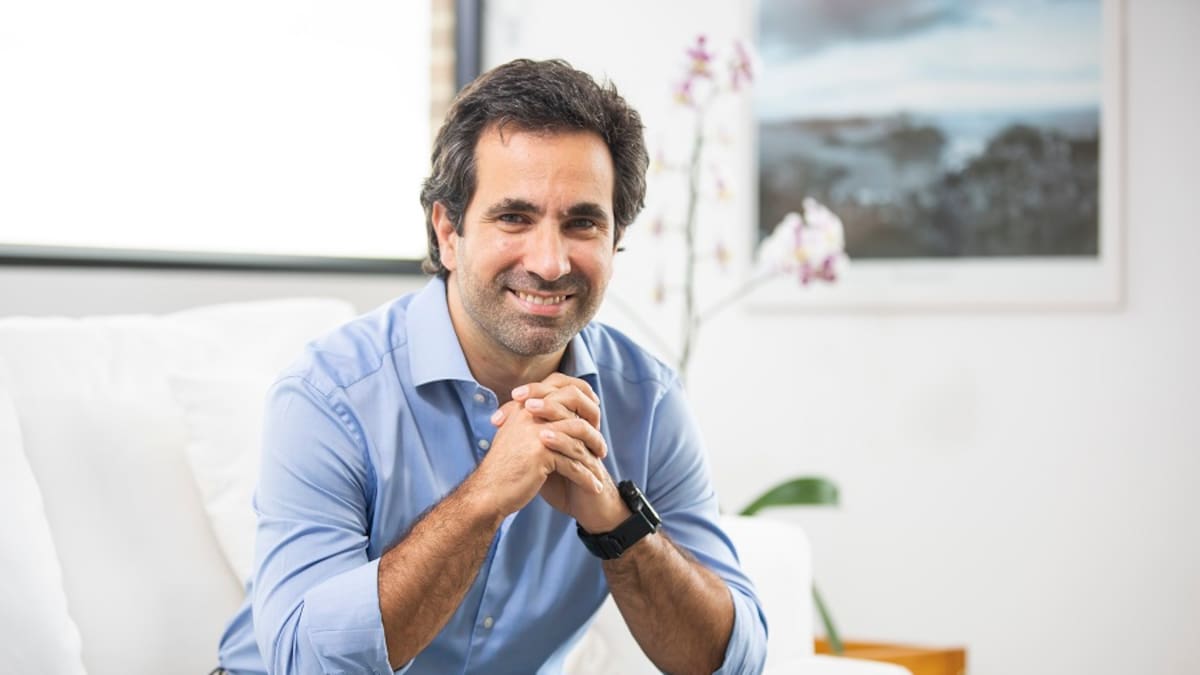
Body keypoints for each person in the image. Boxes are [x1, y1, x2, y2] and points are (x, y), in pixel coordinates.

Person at [215, 58, 767, 674]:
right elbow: (304, 665)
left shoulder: (648, 401)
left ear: (615, 241)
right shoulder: (328, 394)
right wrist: (485, 499)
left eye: (582, 223)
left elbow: (734, 663)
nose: (550, 262)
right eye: (514, 218)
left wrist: (615, 524)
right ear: (448, 232)